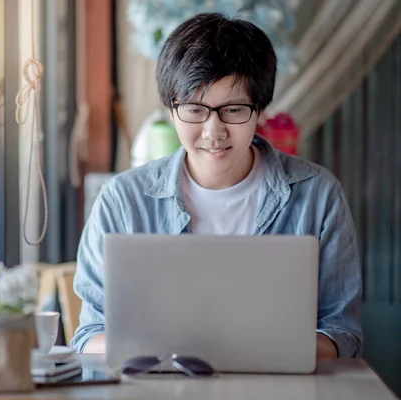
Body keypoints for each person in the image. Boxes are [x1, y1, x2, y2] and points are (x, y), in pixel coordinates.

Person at [70, 13, 363, 360]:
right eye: (195, 110)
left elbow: (342, 334)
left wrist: (241, 351)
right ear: (171, 108)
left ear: (260, 109)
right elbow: (89, 335)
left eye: (233, 110)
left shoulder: (317, 195)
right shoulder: (122, 200)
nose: (214, 131)